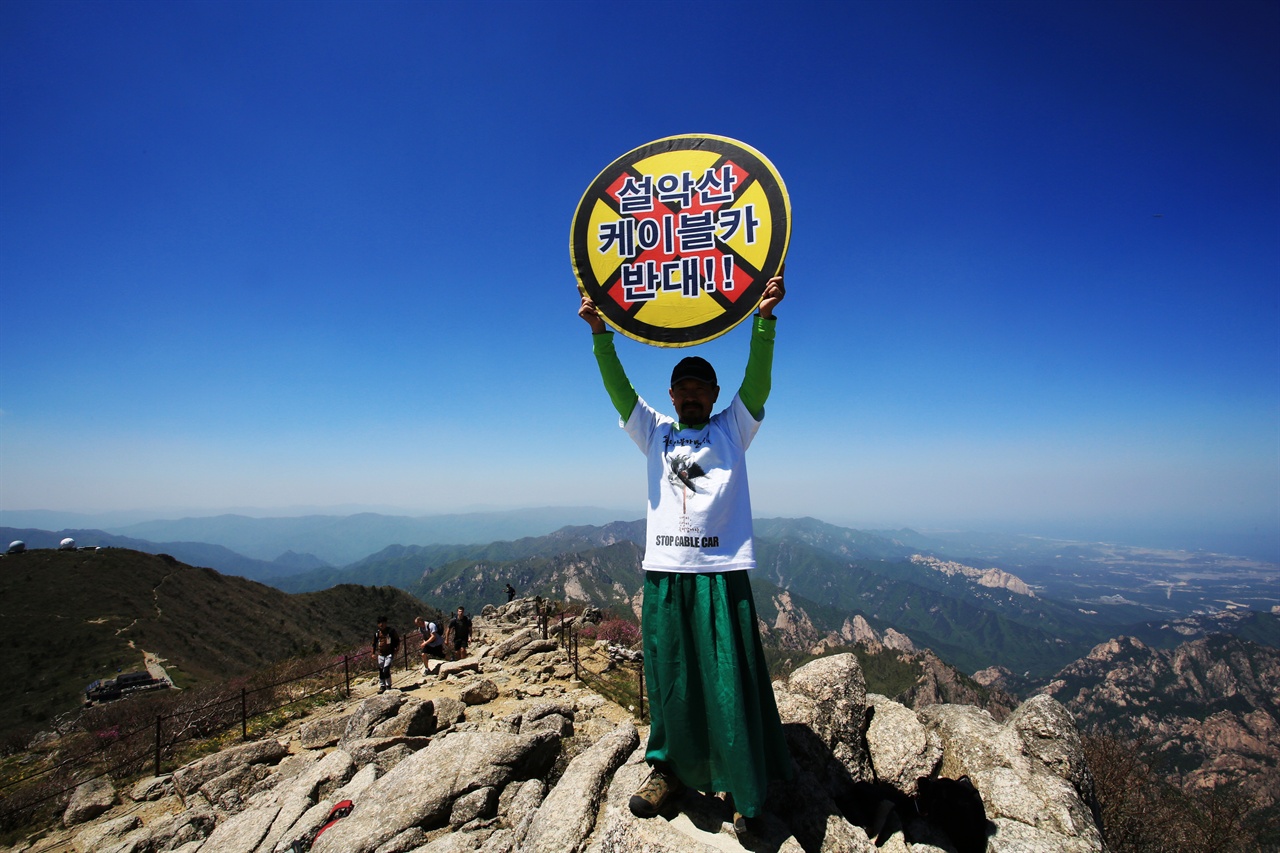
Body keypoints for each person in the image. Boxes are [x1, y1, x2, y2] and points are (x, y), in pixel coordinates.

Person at [578, 273, 793, 834]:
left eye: (702, 386)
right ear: (672, 394)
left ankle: (747, 791)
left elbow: (759, 382)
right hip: (667, 574)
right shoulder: (654, 433)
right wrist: (601, 333)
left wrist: (764, 321)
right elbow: (619, 390)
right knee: (669, 677)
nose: (693, 392)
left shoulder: (733, 429)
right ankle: (666, 771)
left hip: (722, 576)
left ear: (715, 396)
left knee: (728, 680)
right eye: (684, 386)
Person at [373, 616, 399, 694]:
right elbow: (374, 644)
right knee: (381, 670)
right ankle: (382, 686)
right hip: (381, 654)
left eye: (383, 623)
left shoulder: (391, 631)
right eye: (380, 623)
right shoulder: (377, 634)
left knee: (386, 669)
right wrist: (373, 653)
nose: (382, 625)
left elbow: (397, 640)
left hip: (389, 653)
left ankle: (388, 685)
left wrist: (397, 649)